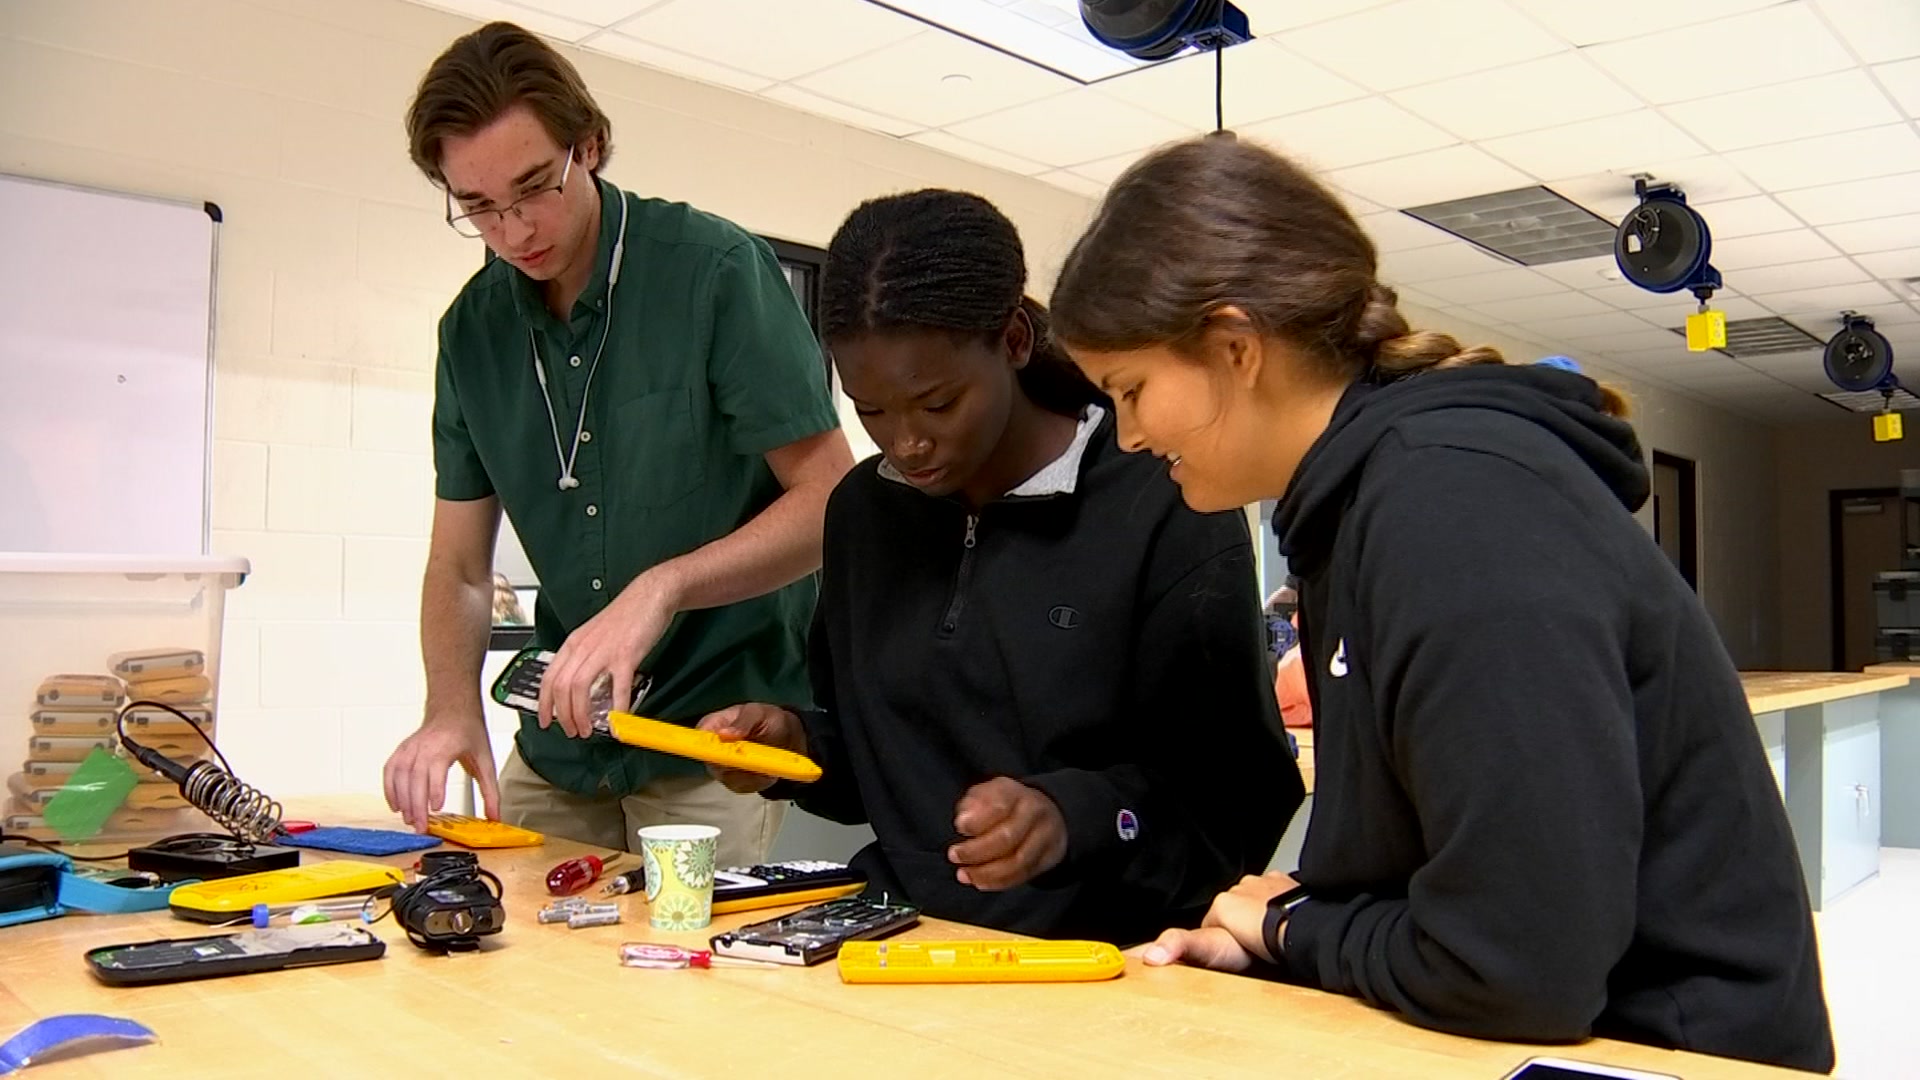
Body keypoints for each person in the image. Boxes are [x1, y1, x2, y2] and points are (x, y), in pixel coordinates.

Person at [1048, 135, 1834, 1072]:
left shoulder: (1453, 504)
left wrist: (1295, 929)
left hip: (1662, 1055)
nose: (1129, 435)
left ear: (1233, 346)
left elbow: (1517, 965)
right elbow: (1457, 865)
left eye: (1131, 391)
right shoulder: (1361, 505)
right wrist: (1283, 922)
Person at [697, 189, 1301, 945]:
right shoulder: (864, 511)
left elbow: (1234, 803)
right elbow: (883, 767)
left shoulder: (1167, 496)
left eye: (937, 404)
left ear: (1013, 340)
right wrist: (797, 747)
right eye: (872, 412)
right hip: (902, 939)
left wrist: (1076, 817)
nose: (906, 443)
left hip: (1101, 960)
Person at [381, 22, 854, 869]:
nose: (515, 230)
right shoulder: (471, 332)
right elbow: (457, 567)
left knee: (682, 983)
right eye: (479, 207)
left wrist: (662, 588)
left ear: (589, 145)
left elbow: (830, 503)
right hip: (564, 736)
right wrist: (449, 707)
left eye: (535, 186)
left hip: (715, 733)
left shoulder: (713, 273)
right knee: (510, 954)